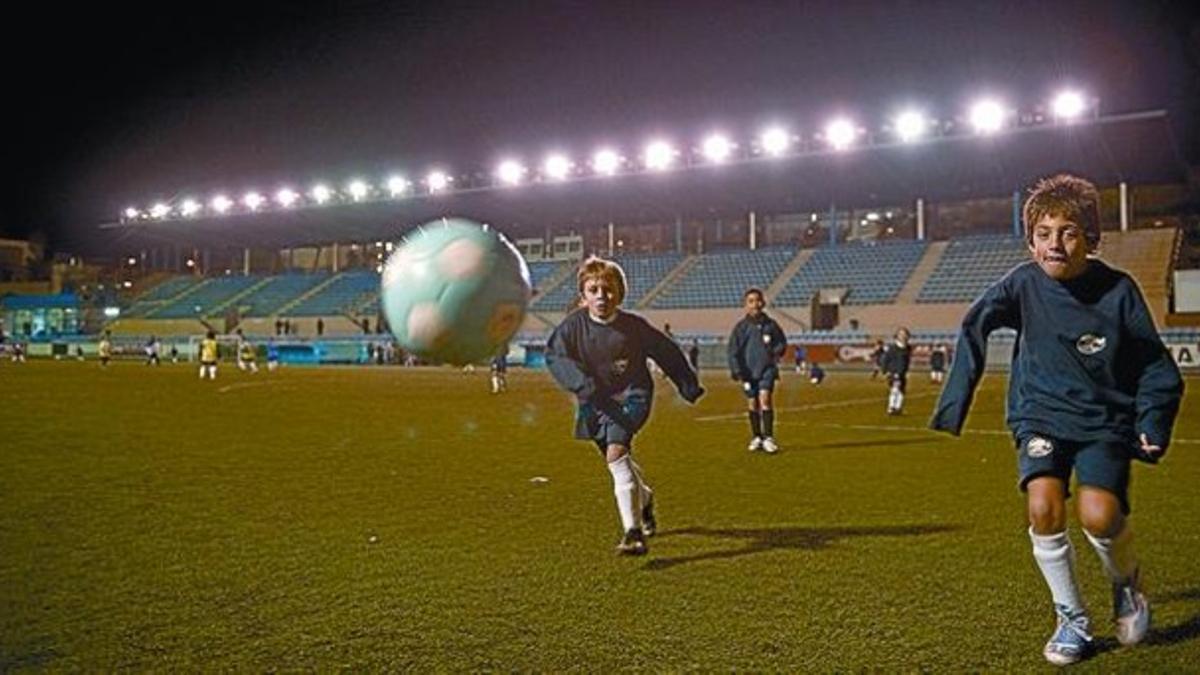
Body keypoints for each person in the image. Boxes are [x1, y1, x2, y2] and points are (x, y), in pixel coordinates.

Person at [930, 174, 1184, 666]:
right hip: (1039, 414)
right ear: (1030, 242)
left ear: (1091, 239)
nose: (1055, 243)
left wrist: (1152, 419)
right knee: (1043, 506)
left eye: (1068, 232)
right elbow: (973, 325)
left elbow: (1155, 364)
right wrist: (954, 400)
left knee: (1099, 514)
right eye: (1043, 233)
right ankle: (1072, 617)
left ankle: (1127, 584)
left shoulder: (1119, 291)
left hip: (1104, 420)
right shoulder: (1022, 284)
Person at [546, 256, 704, 556]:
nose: (601, 296)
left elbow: (666, 351)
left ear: (620, 293)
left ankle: (632, 534)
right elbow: (555, 357)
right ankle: (644, 499)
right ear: (584, 295)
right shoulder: (571, 327)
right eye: (594, 290)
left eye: (608, 289)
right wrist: (581, 384)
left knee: (617, 452)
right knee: (615, 461)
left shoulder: (634, 327)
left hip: (632, 396)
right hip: (593, 401)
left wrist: (687, 384)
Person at [727, 287, 787, 454]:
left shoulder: (771, 325)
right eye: (751, 301)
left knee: (765, 399)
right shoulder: (741, 328)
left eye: (758, 300)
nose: (755, 304)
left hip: (766, 369)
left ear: (763, 302)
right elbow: (733, 351)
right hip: (747, 372)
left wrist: (775, 353)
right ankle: (757, 437)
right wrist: (737, 370)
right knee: (753, 404)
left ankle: (769, 437)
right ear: (746, 305)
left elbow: (781, 343)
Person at [881, 327, 912, 415]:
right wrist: (885, 371)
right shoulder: (892, 348)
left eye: (905, 334)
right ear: (897, 336)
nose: (903, 336)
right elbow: (885, 360)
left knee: (902, 390)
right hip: (894, 372)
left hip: (903, 372)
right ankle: (891, 408)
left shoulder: (908, 348)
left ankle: (898, 408)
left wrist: (906, 371)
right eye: (901, 334)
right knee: (895, 389)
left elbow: (906, 361)